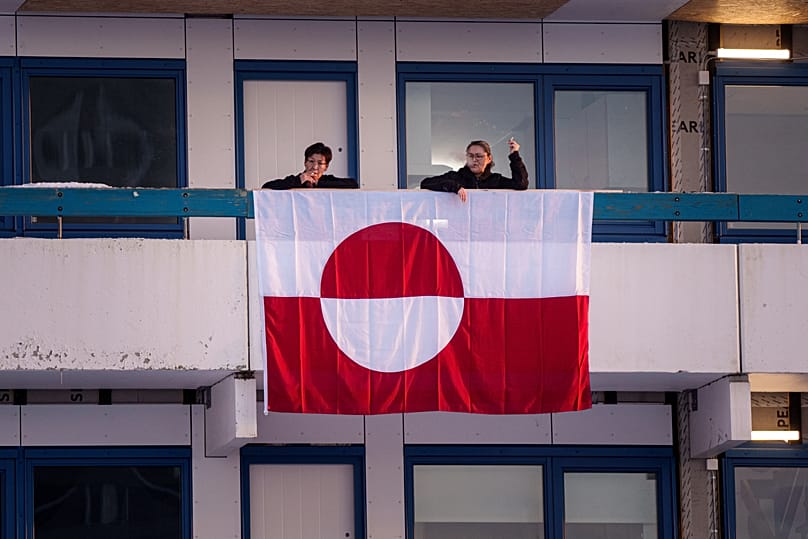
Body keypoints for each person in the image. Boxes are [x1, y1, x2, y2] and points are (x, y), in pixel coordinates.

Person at [420, 138, 528, 202]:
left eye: (479, 156)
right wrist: (454, 187)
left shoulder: (496, 180)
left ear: (489, 158)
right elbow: (426, 183)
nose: (474, 160)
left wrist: (514, 155)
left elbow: (521, 184)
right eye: (470, 156)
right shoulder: (456, 177)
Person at [261, 142, 358, 190]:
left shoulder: (328, 180)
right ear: (305, 162)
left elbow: (353, 184)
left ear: (326, 166)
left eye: (320, 163)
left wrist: (317, 184)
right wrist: (299, 181)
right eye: (311, 161)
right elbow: (266, 187)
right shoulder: (294, 180)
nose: (315, 167)